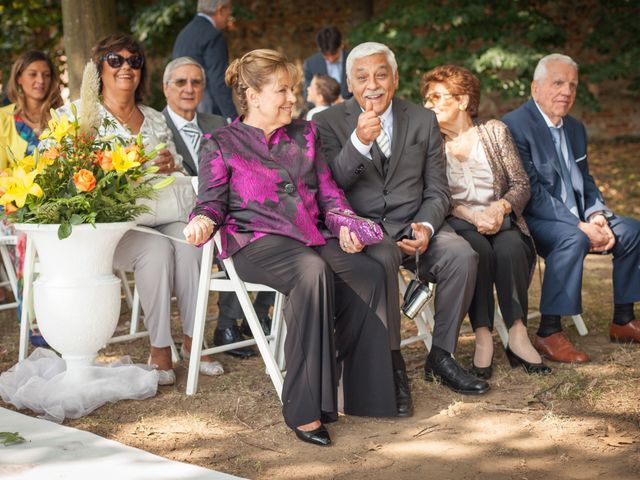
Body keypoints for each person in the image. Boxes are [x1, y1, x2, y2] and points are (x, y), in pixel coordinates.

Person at [184, 49, 397, 446]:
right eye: (282, 90)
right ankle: (303, 409)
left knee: (367, 273)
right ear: (251, 94)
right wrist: (202, 221)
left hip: (310, 236)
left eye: (293, 89)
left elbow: (330, 195)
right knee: (311, 272)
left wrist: (346, 224)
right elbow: (211, 201)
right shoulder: (220, 143)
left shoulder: (306, 134)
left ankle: (354, 389)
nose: (291, 98)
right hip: (255, 242)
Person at [315, 42, 487, 409]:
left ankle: (441, 355)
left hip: (416, 227)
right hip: (366, 235)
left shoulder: (422, 119)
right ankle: (391, 364)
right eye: (362, 76)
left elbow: (438, 188)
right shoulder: (326, 123)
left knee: (463, 256)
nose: (372, 84)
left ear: (394, 78)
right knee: (381, 262)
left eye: (381, 74)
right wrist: (360, 141)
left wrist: (425, 226)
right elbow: (332, 185)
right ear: (349, 82)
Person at [58, 33, 224, 385]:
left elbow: (179, 168)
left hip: (161, 213)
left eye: (133, 61)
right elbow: (56, 162)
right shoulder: (79, 114)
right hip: (113, 226)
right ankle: (160, 348)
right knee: (156, 250)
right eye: (114, 60)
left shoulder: (153, 117)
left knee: (191, 241)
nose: (125, 68)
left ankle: (195, 341)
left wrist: (171, 165)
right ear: (98, 67)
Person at [503, 53, 640, 362]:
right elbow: (532, 193)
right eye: (558, 83)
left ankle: (623, 320)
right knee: (572, 238)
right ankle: (549, 331)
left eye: (572, 85)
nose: (566, 91)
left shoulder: (575, 128)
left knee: (632, 230)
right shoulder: (515, 125)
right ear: (535, 88)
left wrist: (597, 215)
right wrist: (580, 226)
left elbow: (585, 179)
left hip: (580, 217)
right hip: (535, 219)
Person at [421, 65, 551, 378]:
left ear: (463, 100)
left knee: (509, 248)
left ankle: (517, 334)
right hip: (459, 221)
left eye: (436, 97)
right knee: (476, 250)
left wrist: (500, 207)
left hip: (501, 218)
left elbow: (521, 183)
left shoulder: (494, 131)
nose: (428, 105)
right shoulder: (430, 144)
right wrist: (471, 214)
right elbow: (432, 194)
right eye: (426, 99)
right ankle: (483, 337)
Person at [161, 56, 271, 358]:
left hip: (229, 207)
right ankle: (226, 324)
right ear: (166, 88)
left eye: (196, 82)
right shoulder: (158, 127)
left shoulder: (217, 123)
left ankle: (259, 314)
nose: (189, 88)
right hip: (185, 214)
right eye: (181, 82)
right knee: (233, 234)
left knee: (275, 226)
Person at [0, 50, 63, 347]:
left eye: (46, 75)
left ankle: (65, 314)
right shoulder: (3, 120)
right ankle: (35, 321)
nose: (40, 80)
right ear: (19, 79)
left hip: (58, 202)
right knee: (31, 233)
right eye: (33, 74)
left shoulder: (62, 117)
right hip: (13, 204)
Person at [173, 0, 238, 121]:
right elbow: (219, 82)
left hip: (182, 111)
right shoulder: (213, 35)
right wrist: (234, 120)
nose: (230, 14)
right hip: (208, 114)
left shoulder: (184, 34)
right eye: (229, 9)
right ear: (221, 10)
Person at [303, 26, 351, 101]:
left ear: (341, 45)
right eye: (326, 55)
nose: (331, 59)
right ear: (320, 50)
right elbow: (308, 96)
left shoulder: (353, 59)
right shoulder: (311, 64)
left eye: (334, 53)